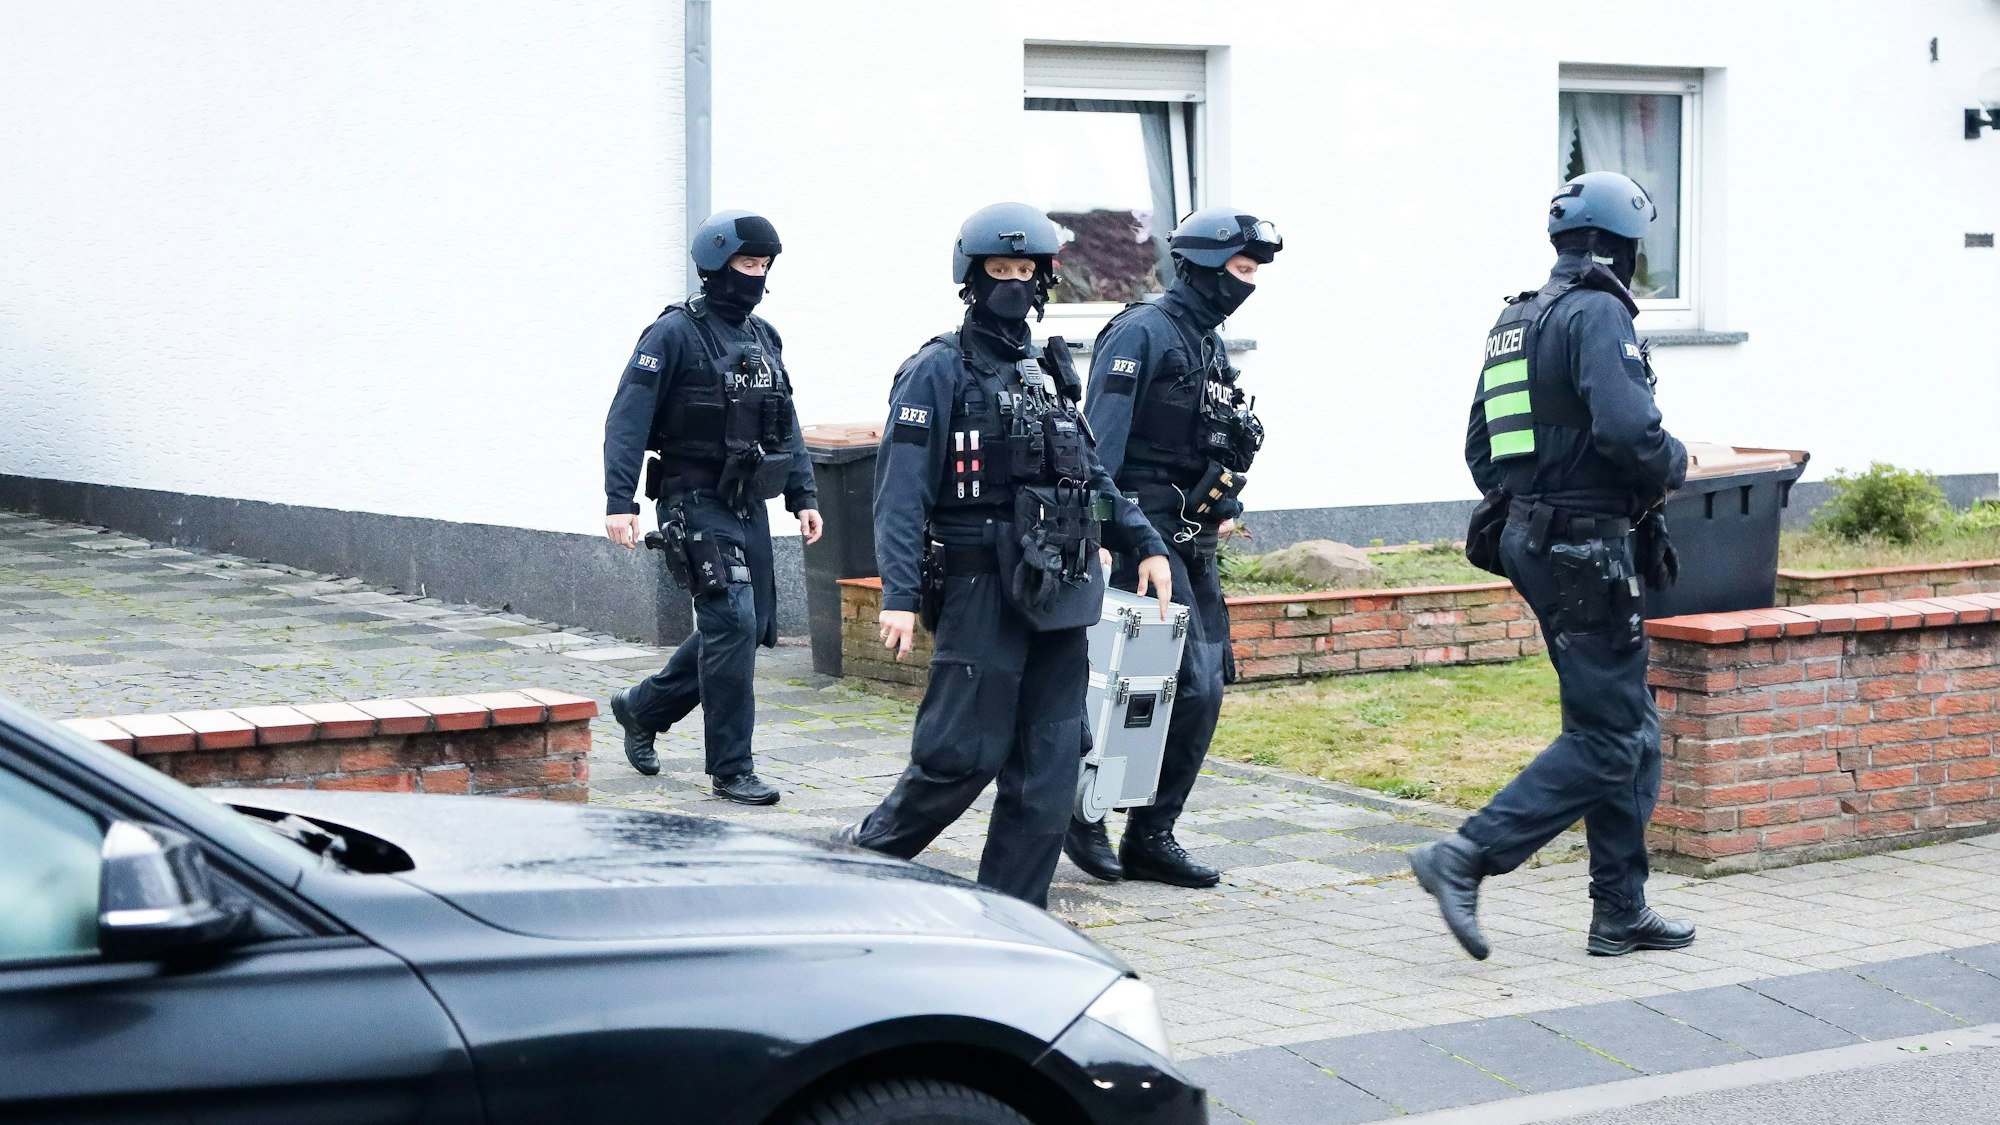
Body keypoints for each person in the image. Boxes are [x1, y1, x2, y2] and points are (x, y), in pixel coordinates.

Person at [835, 202, 1175, 908]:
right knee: (960, 759)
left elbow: (1091, 482)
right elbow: (898, 492)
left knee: (1048, 772)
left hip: (1060, 595)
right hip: (979, 587)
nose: (1015, 283)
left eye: (1027, 270)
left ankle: (1013, 918)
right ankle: (854, 866)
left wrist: (1138, 537)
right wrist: (898, 593)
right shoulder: (937, 370)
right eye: (1001, 269)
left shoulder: (1049, 371)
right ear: (972, 275)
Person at [1411, 171, 1694, 959]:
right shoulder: (1600, 312)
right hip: (1586, 550)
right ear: (1623, 244)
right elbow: (1631, 434)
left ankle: (1621, 908)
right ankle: (1465, 855)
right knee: (1610, 738)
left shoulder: (1516, 319)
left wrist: (1536, 501)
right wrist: (1676, 461)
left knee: (1627, 724)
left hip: (1536, 539)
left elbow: (1481, 448)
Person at [1063, 208, 1283, 888]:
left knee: (1206, 684)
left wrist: (1227, 503)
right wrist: (1102, 532)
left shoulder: (1208, 343)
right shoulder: (1141, 332)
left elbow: (1211, 435)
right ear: (1203, 265)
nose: (1247, 283)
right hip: (1141, 528)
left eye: (1255, 272)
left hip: (1195, 531)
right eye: (1240, 270)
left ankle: (1152, 833)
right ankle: (1082, 809)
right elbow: (1095, 450)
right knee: (1133, 682)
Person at [600, 210, 822, 806]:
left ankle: (642, 707)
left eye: (765, 266)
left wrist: (804, 494)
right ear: (715, 264)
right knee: (733, 621)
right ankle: (732, 769)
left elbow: (786, 424)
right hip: (690, 499)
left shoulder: (764, 337)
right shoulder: (672, 334)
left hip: (748, 501)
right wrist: (619, 501)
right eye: (748, 263)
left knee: (744, 630)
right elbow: (627, 419)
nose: (756, 275)